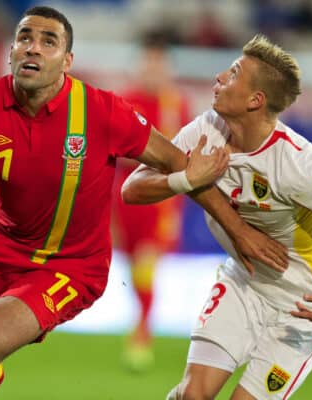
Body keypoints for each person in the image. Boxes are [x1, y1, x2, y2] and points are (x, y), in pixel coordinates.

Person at [0, 7, 288, 400]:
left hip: (70, 265)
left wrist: (241, 231)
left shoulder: (101, 111)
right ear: (11, 52)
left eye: (48, 41)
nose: (33, 46)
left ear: (67, 61)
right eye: (24, 38)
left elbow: (184, 167)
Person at [122, 34, 312, 400]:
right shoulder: (207, 128)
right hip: (245, 281)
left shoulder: (297, 163)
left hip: (304, 303)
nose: (218, 77)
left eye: (233, 73)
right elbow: (132, 189)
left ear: (256, 100)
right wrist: (188, 178)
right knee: (192, 395)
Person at [111, 33, 191, 372]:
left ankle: (141, 337)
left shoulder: (177, 105)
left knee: (146, 265)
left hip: (159, 200)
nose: (153, 69)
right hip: (125, 198)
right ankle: (140, 323)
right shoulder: (124, 101)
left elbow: (182, 154)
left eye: (159, 63)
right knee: (133, 269)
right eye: (149, 62)